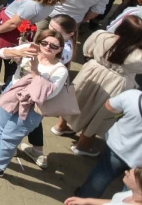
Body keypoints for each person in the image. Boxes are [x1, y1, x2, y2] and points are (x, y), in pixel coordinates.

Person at [0, 28, 70, 177]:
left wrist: (35, 72)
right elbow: (1, 52)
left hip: (32, 105)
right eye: (45, 43)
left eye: (54, 46)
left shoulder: (60, 70)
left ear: (60, 49)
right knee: (2, 127)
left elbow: (47, 94)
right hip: (13, 93)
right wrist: (19, 53)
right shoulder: (30, 49)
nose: (48, 47)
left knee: (10, 136)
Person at [58, 17, 142, 155]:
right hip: (117, 83)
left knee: (76, 99)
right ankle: (82, 145)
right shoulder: (138, 56)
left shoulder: (101, 36)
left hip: (91, 72)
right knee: (99, 114)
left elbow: (87, 50)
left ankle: (61, 126)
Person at [71, 88, 142, 198]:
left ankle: (83, 199)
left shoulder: (133, 96)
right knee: (134, 190)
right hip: (139, 162)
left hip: (118, 148)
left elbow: (109, 105)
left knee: (102, 174)